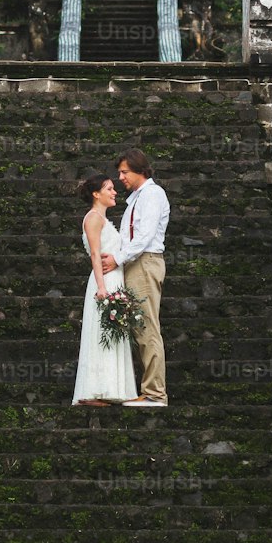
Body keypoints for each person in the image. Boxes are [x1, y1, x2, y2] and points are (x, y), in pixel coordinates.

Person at [103, 147, 169, 407]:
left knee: (147, 327)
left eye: (124, 172)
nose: (120, 177)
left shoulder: (152, 194)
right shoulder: (137, 197)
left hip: (145, 262)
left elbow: (143, 237)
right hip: (136, 263)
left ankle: (155, 393)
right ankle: (149, 390)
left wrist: (117, 258)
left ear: (140, 169)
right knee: (139, 328)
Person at [71, 172, 138, 407]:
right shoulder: (93, 218)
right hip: (105, 282)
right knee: (103, 334)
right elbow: (94, 254)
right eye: (109, 188)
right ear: (96, 194)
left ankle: (113, 388)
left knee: (112, 333)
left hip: (114, 280)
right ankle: (95, 390)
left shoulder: (103, 218)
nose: (115, 192)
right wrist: (101, 287)